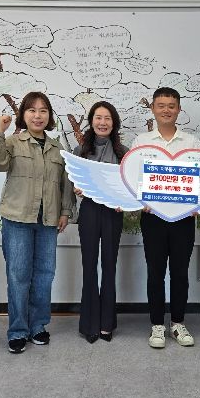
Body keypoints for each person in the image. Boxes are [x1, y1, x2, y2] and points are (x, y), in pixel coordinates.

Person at [0, 91, 73, 354]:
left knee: (44, 275)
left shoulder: (57, 148)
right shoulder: (12, 142)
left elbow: (66, 184)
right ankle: (18, 330)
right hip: (17, 219)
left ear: (49, 116)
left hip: (48, 220)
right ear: (23, 114)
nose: (38, 115)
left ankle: (38, 326)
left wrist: (65, 212)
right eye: (32, 110)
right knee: (18, 275)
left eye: (43, 110)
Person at [130, 87, 200, 349]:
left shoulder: (191, 142)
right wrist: (141, 201)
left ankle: (178, 323)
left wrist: (196, 202)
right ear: (153, 109)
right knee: (155, 272)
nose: (166, 110)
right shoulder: (141, 141)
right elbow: (133, 177)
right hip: (153, 218)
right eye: (161, 105)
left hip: (184, 218)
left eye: (171, 106)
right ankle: (157, 325)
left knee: (180, 273)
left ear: (179, 109)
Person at [73, 101, 129, 344]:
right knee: (89, 266)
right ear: (91, 121)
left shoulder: (124, 152)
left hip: (113, 213)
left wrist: (124, 201)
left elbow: (129, 185)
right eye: (98, 117)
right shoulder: (80, 150)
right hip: (89, 211)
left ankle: (107, 323)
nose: (102, 122)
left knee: (109, 265)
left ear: (114, 123)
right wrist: (76, 189)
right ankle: (89, 324)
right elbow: (72, 182)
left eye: (107, 118)